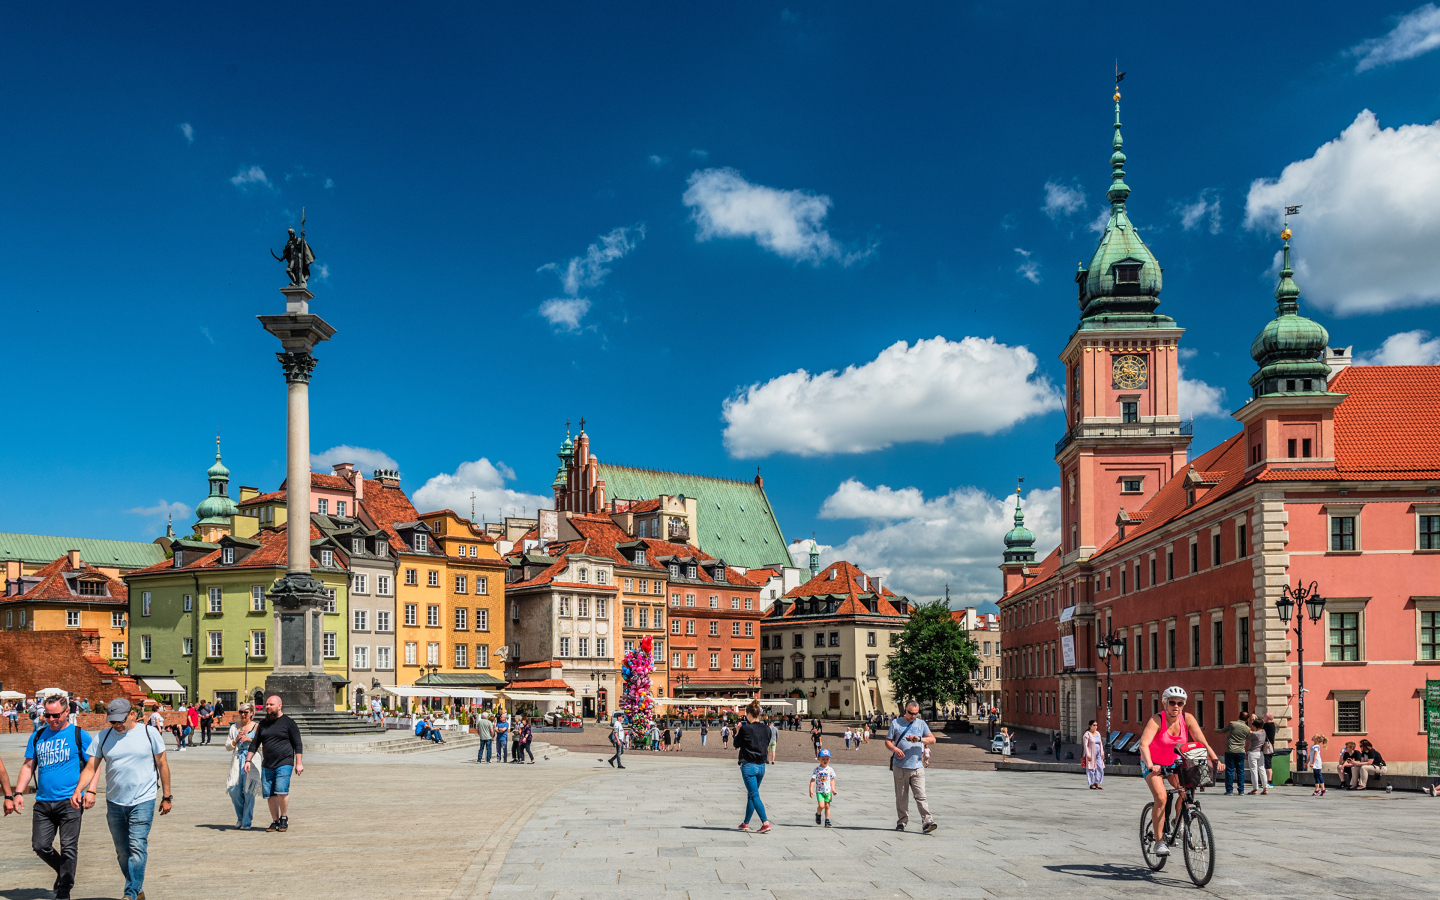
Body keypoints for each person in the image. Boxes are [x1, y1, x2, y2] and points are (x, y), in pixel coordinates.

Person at [73, 698, 172, 900]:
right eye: (113, 721)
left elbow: (162, 765)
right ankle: (137, 889)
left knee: (137, 846)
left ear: (132, 715)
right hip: (115, 802)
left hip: (143, 799)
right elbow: (91, 767)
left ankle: (130, 894)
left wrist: (167, 796)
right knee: (121, 852)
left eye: (120, 720)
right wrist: (79, 790)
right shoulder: (103, 736)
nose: (117, 725)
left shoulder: (149, 733)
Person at [14, 695, 94, 900]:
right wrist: (18, 793)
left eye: (55, 715)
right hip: (43, 801)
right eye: (47, 715)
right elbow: (28, 765)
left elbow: (94, 765)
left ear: (67, 712)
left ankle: (64, 889)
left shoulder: (79, 735)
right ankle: (63, 872)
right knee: (40, 845)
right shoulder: (38, 736)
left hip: (70, 801)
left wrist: (90, 791)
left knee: (68, 847)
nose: (51, 719)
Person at [1137, 687, 1223, 857]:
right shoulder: (1157, 720)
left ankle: (1179, 821)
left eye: (1180, 703)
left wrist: (1215, 760)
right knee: (1161, 797)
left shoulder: (1187, 718)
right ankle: (1159, 841)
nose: (1176, 706)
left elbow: (1201, 741)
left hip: (1175, 764)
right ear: (1164, 703)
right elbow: (1144, 744)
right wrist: (1150, 764)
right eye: (1172, 702)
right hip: (1153, 764)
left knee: (1187, 792)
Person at [242, 695, 303, 833]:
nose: (267, 707)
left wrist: (299, 763)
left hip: (285, 762)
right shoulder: (263, 724)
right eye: (267, 704)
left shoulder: (289, 723)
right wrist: (248, 760)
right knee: (269, 794)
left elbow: (297, 744)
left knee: (281, 790)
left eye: (271, 704)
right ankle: (275, 821)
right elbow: (255, 744)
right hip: (267, 763)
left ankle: (283, 818)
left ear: (279, 706)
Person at [886, 700, 937, 833]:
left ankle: (927, 821)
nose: (913, 716)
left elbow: (932, 739)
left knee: (921, 795)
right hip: (900, 767)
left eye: (916, 713)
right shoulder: (896, 723)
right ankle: (902, 822)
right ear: (905, 710)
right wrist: (895, 749)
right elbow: (887, 742)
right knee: (901, 797)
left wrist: (919, 739)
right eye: (911, 713)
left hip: (917, 767)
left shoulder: (921, 723)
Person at [734, 700, 772, 833]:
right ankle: (746, 823)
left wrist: (738, 731)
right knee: (751, 794)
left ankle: (765, 823)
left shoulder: (745, 729)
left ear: (749, 714)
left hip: (748, 766)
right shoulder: (767, 729)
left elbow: (736, 744)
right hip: (761, 766)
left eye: (746, 714)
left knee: (754, 795)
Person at [226, 704, 260, 828]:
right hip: (237, 761)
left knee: (249, 792)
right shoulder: (234, 727)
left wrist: (250, 740)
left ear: (251, 713)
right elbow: (227, 746)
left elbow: (263, 745)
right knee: (233, 788)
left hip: (252, 762)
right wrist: (235, 740)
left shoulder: (257, 727)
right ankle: (240, 817)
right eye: (241, 712)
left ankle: (246, 821)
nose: (243, 714)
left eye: (246, 712)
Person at [1221, 712, 1250, 795]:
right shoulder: (1247, 728)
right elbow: (1247, 737)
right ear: (1247, 719)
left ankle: (1229, 790)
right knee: (1240, 771)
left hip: (1230, 750)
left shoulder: (1232, 724)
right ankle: (1241, 790)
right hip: (1240, 751)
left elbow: (1224, 730)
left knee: (1229, 770)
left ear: (1239, 716)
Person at [810, 748, 837, 827]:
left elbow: (832, 780)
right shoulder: (817, 769)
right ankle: (818, 814)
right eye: (823, 759)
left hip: (828, 791)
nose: (825, 760)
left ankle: (827, 820)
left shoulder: (830, 769)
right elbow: (812, 780)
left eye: (827, 759)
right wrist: (811, 790)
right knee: (821, 806)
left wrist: (833, 789)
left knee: (827, 806)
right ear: (819, 759)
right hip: (820, 791)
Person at [1246, 716, 1266, 795]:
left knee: (1254, 770)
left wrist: (1250, 731)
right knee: (1262, 769)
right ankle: (1265, 788)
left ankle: (1255, 788)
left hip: (1252, 752)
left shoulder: (1254, 734)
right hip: (1260, 752)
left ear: (1255, 726)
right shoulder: (1264, 732)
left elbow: (1247, 739)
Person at [1082, 720, 1105, 790]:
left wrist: (1102, 753)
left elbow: (1100, 743)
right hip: (1091, 753)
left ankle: (1097, 782)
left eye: (1096, 725)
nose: (1095, 727)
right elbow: (1085, 745)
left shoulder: (1098, 733)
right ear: (1090, 726)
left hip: (1098, 753)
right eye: (1094, 725)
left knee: (1100, 767)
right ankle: (1091, 783)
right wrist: (1088, 755)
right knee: (1091, 768)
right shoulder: (1087, 734)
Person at [1262, 712, 1277, 787]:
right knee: (1268, 764)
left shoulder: (1267, 725)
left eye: (1264, 716)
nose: (1263, 717)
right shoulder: (1272, 725)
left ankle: (1269, 782)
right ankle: (1267, 781)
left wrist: (1253, 720)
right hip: (1270, 746)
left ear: (1267, 717)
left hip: (1267, 747)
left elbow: (1259, 729)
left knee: (1267, 764)